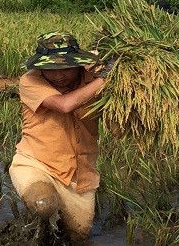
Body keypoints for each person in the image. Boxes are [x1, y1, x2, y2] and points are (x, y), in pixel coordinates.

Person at [9, 32, 115, 242]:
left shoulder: (92, 79)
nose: (58, 76)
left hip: (80, 177)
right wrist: (106, 79)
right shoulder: (30, 80)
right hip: (37, 164)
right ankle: (34, 235)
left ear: (78, 63)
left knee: (78, 235)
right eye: (50, 70)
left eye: (65, 68)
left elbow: (117, 124)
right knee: (44, 204)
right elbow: (64, 105)